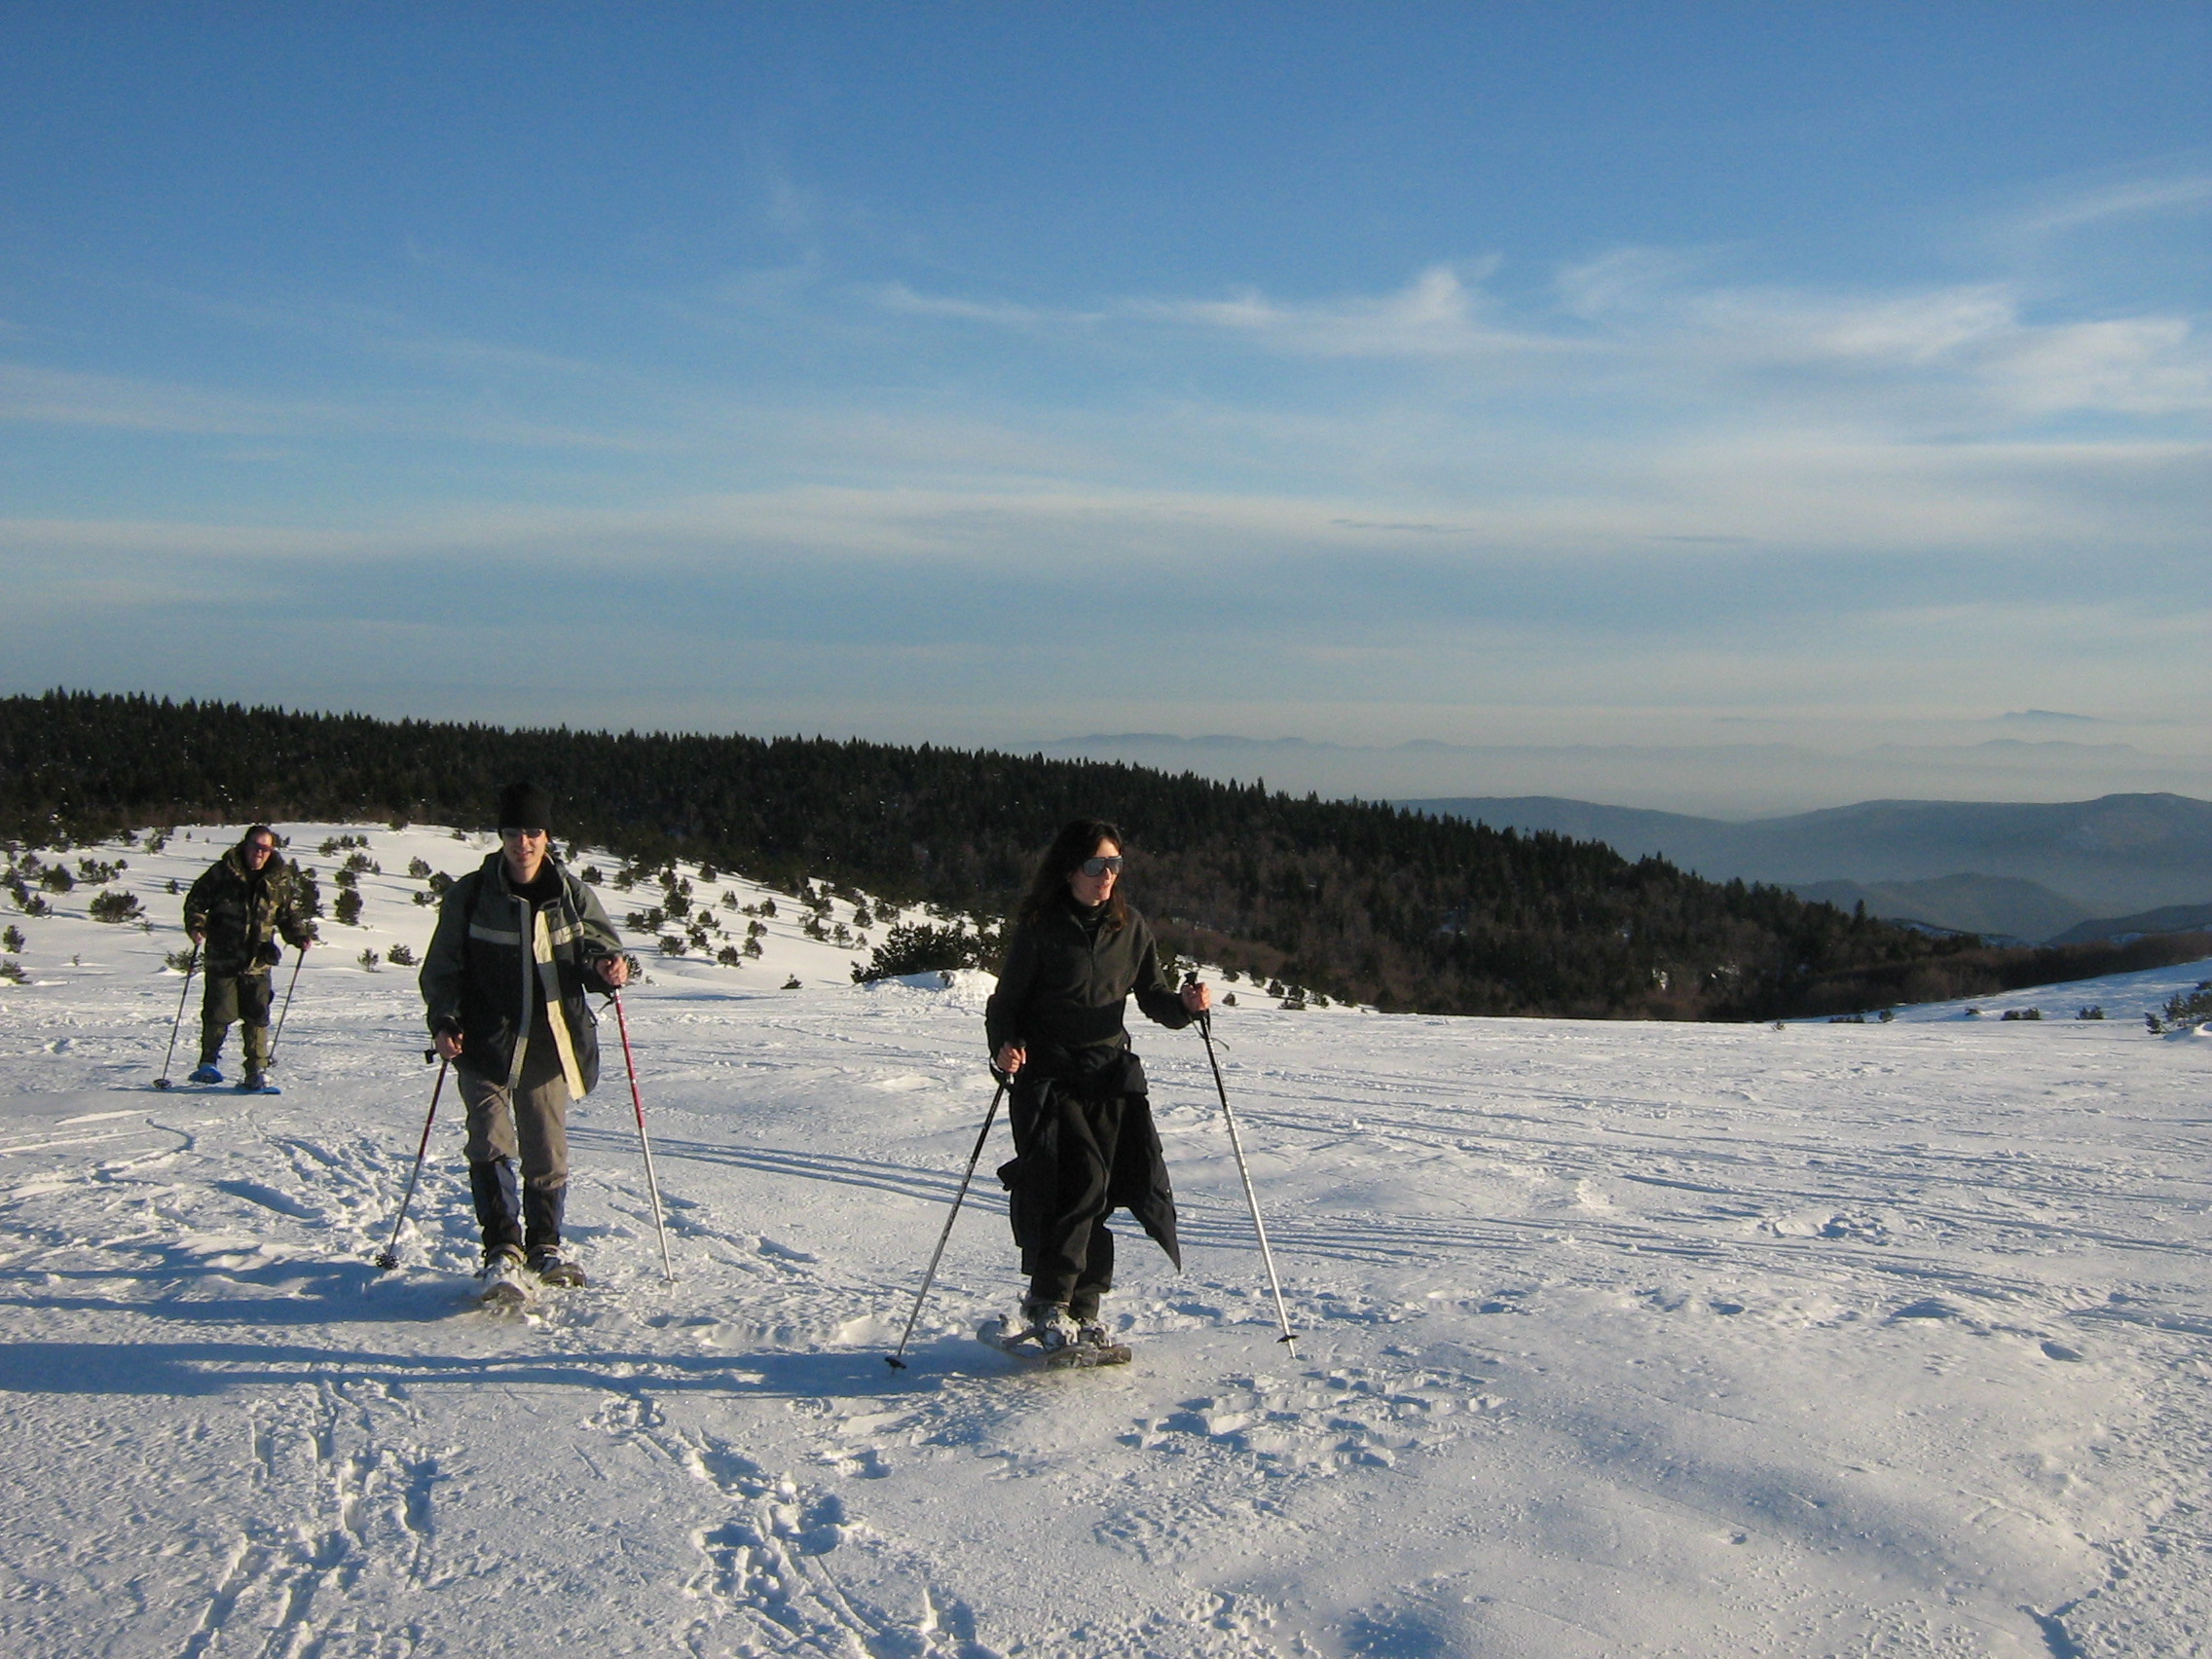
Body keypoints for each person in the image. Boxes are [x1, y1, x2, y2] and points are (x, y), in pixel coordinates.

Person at [984, 819, 1211, 1351]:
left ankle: (1082, 1311)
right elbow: (1006, 1003)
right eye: (1095, 865)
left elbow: (1152, 995)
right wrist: (1005, 1047)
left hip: (1108, 1076)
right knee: (1079, 1182)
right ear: (1069, 871)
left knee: (1101, 1194)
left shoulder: (1129, 928)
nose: (1106, 876)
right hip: (1047, 1078)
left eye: (1114, 865)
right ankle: (1048, 1301)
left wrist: (1184, 1006)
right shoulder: (1042, 928)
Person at [420, 782, 629, 1293]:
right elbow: (442, 968)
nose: (524, 843)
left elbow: (600, 951)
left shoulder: (571, 895)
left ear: (547, 836)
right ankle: (501, 1251)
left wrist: (609, 969)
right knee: (490, 1141)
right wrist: (445, 1021)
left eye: (533, 832)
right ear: (501, 837)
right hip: (483, 1041)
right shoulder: (471, 895)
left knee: (546, 1146)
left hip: (549, 1041)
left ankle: (545, 1247)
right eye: (513, 833)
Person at [182, 825, 316, 1092]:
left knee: (258, 1015)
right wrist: (197, 926)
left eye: (265, 848)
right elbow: (196, 901)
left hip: (259, 959)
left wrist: (299, 936)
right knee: (219, 1011)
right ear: (245, 845)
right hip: (223, 956)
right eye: (256, 845)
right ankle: (208, 1063)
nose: (259, 852)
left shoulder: (279, 880)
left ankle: (257, 1069)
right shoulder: (222, 873)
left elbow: (288, 915)